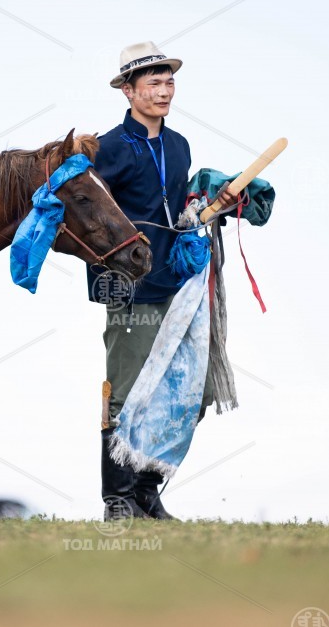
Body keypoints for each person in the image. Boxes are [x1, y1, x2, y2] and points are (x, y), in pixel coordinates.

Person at [88, 42, 237, 521]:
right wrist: (105, 281)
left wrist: (213, 204)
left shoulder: (179, 146)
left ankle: (146, 493)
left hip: (179, 282)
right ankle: (118, 501)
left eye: (169, 82)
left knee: (191, 389)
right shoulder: (108, 148)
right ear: (128, 91)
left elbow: (180, 205)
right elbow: (86, 213)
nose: (164, 91)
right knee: (126, 392)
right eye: (153, 83)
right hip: (130, 288)